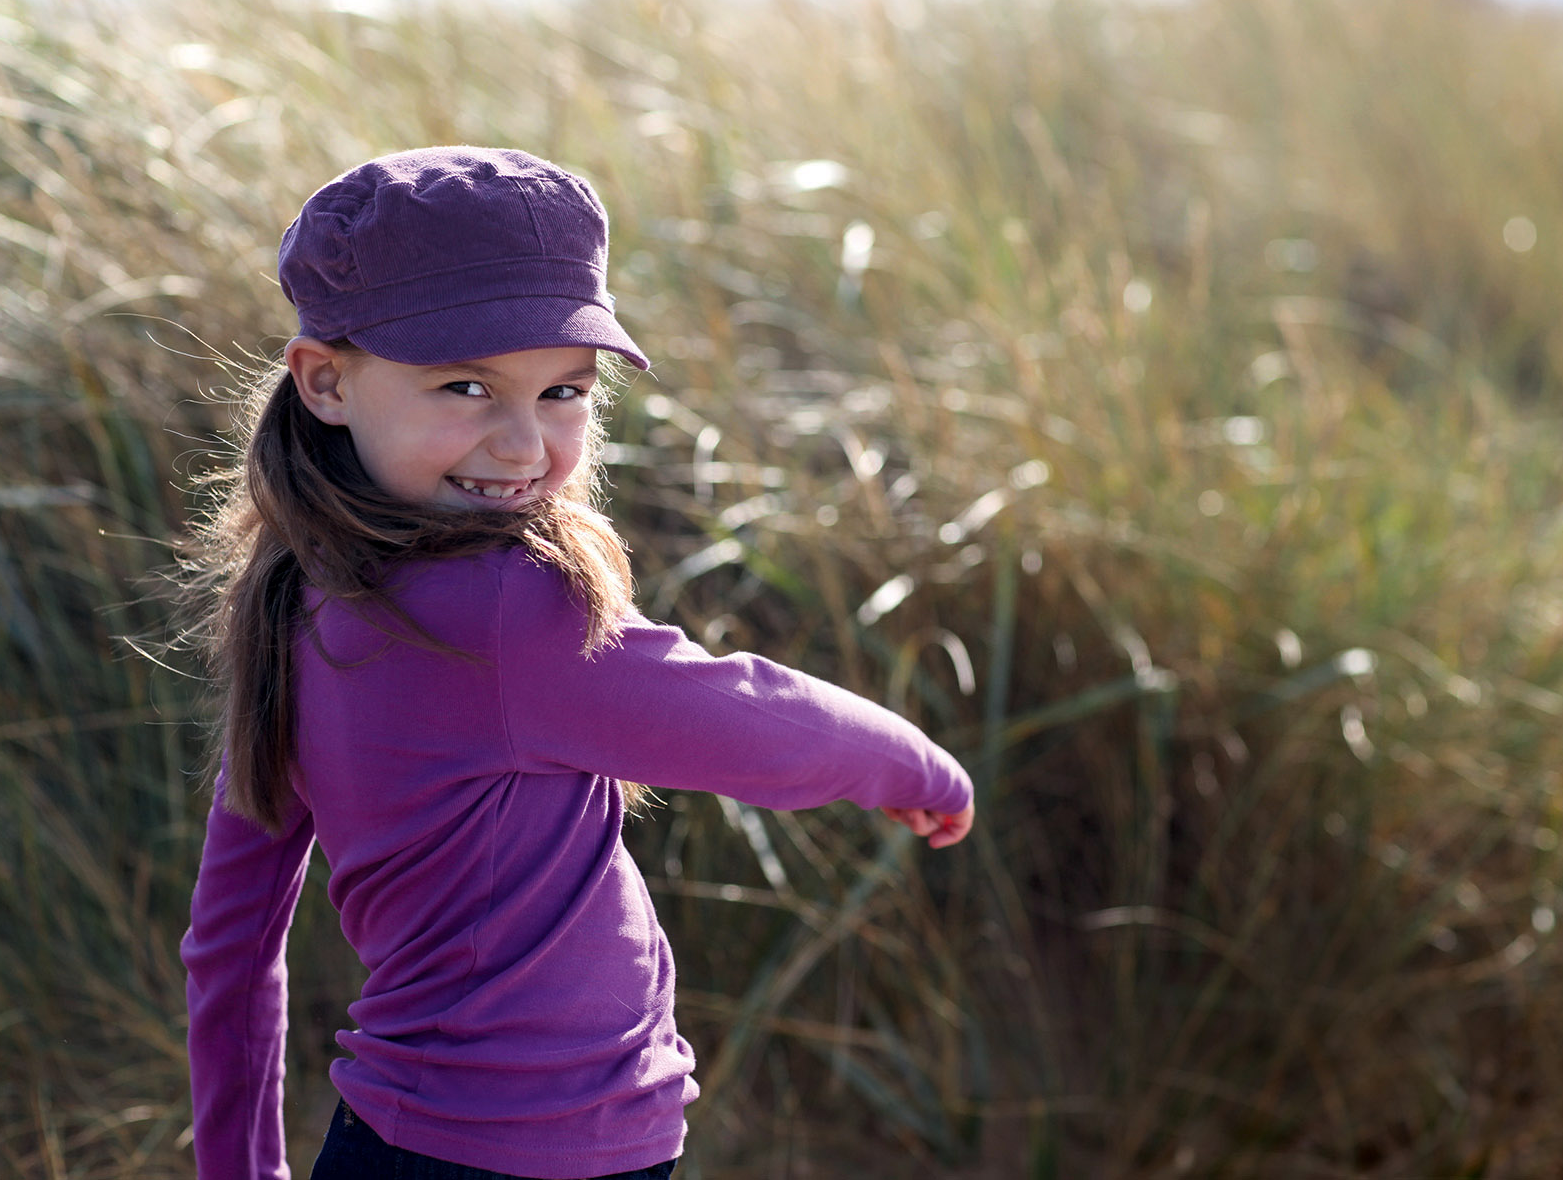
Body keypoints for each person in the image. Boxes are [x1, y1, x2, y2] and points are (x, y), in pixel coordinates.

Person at [178, 146, 975, 1180]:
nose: (523, 444)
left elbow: (228, 942)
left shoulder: (298, 592)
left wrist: (240, 1163)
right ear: (326, 381)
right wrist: (916, 765)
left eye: (563, 390)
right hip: (525, 1154)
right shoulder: (506, 609)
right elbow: (750, 717)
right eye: (465, 385)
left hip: (410, 1142)